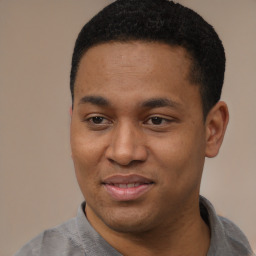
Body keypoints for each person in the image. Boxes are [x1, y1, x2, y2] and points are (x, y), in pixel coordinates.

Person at [15, 0, 254, 255]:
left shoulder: (236, 246)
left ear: (213, 130)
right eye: (97, 120)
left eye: (156, 120)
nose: (123, 152)